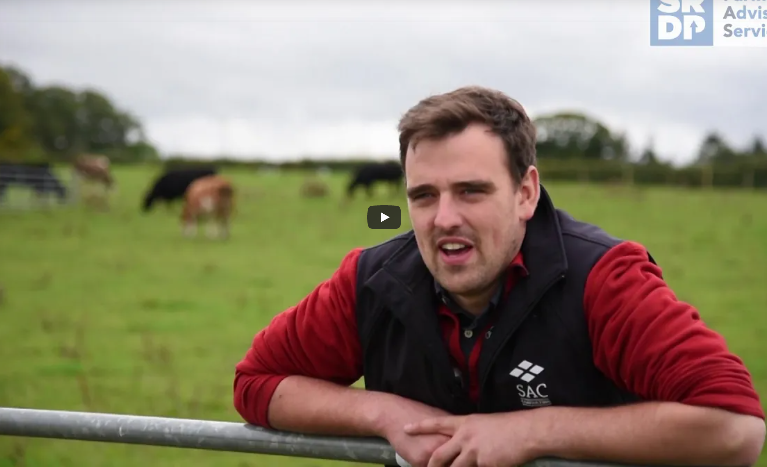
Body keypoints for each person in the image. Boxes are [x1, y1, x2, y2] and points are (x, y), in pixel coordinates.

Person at [233, 86, 765, 467]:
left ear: (526, 192)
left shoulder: (603, 279)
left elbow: (735, 429)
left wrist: (535, 431)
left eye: (471, 191)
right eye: (423, 196)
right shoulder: (372, 281)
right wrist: (382, 412)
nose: (444, 219)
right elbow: (257, 383)